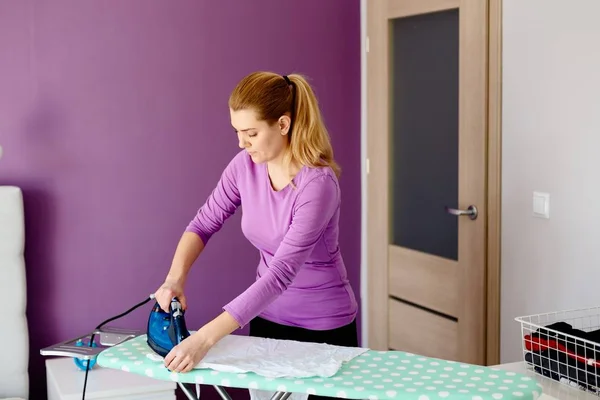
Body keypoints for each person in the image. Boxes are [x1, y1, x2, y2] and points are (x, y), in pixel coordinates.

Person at [153, 71, 359, 382]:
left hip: (323, 327)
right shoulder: (244, 166)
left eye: (250, 133)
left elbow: (280, 274)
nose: (241, 143)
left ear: (283, 124)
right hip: (265, 318)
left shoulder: (317, 184)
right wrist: (174, 279)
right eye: (237, 131)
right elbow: (204, 223)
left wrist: (204, 339)